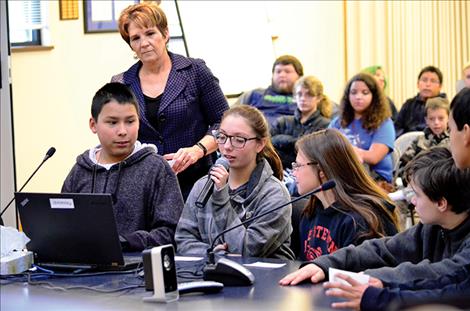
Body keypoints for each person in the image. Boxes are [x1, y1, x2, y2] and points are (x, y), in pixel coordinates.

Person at [279, 147, 470, 310]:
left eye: (416, 195)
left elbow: (443, 274)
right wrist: (325, 264)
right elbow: (384, 249)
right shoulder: (433, 227)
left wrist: (376, 279)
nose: (412, 201)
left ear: (441, 203)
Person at [112, 2, 229, 199]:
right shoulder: (122, 83)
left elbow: (224, 123)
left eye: (150, 33)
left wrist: (197, 150)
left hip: (196, 182)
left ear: (165, 34)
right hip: (145, 185)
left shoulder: (195, 71)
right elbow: (118, 135)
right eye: (135, 38)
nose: (144, 43)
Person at [62, 82, 184, 251]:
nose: (122, 131)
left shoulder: (156, 168)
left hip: (138, 271)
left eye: (130, 121)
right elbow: (64, 224)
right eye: (112, 122)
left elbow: (172, 232)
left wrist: (126, 242)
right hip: (84, 270)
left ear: (139, 122)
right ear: (93, 125)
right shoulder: (80, 171)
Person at [175, 105, 295, 259]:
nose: (227, 147)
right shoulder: (203, 185)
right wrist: (212, 254)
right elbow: (183, 239)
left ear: (260, 144)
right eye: (222, 137)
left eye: (239, 140)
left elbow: (247, 251)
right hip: (210, 275)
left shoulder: (274, 193)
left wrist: (221, 200)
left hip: (263, 279)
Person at [292, 129, 399, 261]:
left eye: (298, 165)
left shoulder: (360, 221)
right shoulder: (310, 213)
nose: (294, 172)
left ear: (322, 171)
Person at [329, 72, 395, 186]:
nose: (358, 97)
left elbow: (374, 157)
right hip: (342, 176)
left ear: (374, 96)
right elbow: (326, 147)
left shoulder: (384, 123)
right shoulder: (338, 122)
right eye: (353, 92)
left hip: (375, 180)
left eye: (365, 93)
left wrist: (346, 151)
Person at [270, 76, 331, 170]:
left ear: (318, 98)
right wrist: (295, 142)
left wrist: (282, 145)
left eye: (309, 95)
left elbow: (313, 156)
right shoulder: (282, 122)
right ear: (294, 97)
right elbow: (268, 147)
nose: (303, 99)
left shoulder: (326, 125)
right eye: (299, 94)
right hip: (279, 171)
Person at [235, 55, 303, 127]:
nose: (282, 75)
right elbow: (230, 116)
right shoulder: (254, 95)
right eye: (278, 71)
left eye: (287, 71)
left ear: (300, 76)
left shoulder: (307, 98)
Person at [396, 96, 450, 182]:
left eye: (441, 118)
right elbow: (403, 167)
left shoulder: (455, 141)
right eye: (431, 119)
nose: (436, 123)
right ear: (426, 120)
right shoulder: (419, 141)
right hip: (420, 183)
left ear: (449, 118)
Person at [395, 66, 446, 137]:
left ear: (440, 86)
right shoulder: (409, 104)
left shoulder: (445, 106)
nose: (428, 84)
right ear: (418, 84)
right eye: (424, 80)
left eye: (433, 81)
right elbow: (397, 128)